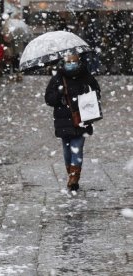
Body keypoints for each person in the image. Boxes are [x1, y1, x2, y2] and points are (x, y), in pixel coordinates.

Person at [45, 53, 101, 191]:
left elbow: (96, 92)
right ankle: (71, 173)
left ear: (78, 62)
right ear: (63, 63)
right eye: (68, 62)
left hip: (82, 118)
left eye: (73, 61)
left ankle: (74, 178)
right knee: (67, 151)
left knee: (77, 147)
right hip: (63, 121)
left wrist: (86, 92)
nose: (71, 64)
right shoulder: (58, 78)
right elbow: (49, 99)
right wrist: (59, 93)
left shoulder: (85, 76)